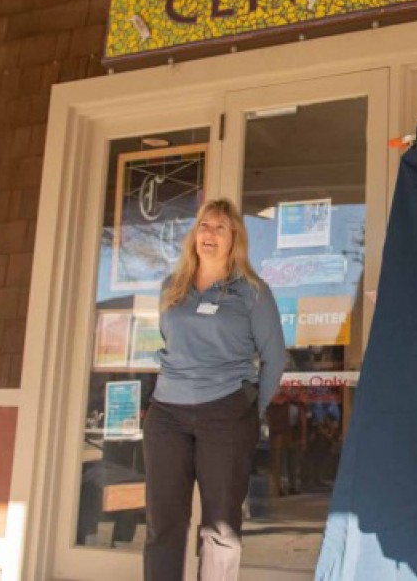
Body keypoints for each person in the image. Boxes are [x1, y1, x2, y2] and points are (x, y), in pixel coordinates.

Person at [143, 198, 286, 580]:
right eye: (205, 225)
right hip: (167, 414)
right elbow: (169, 342)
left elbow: (275, 359)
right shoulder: (171, 287)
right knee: (164, 522)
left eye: (220, 227)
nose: (209, 233)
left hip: (226, 412)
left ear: (234, 238)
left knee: (220, 530)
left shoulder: (252, 291)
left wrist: (248, 410)